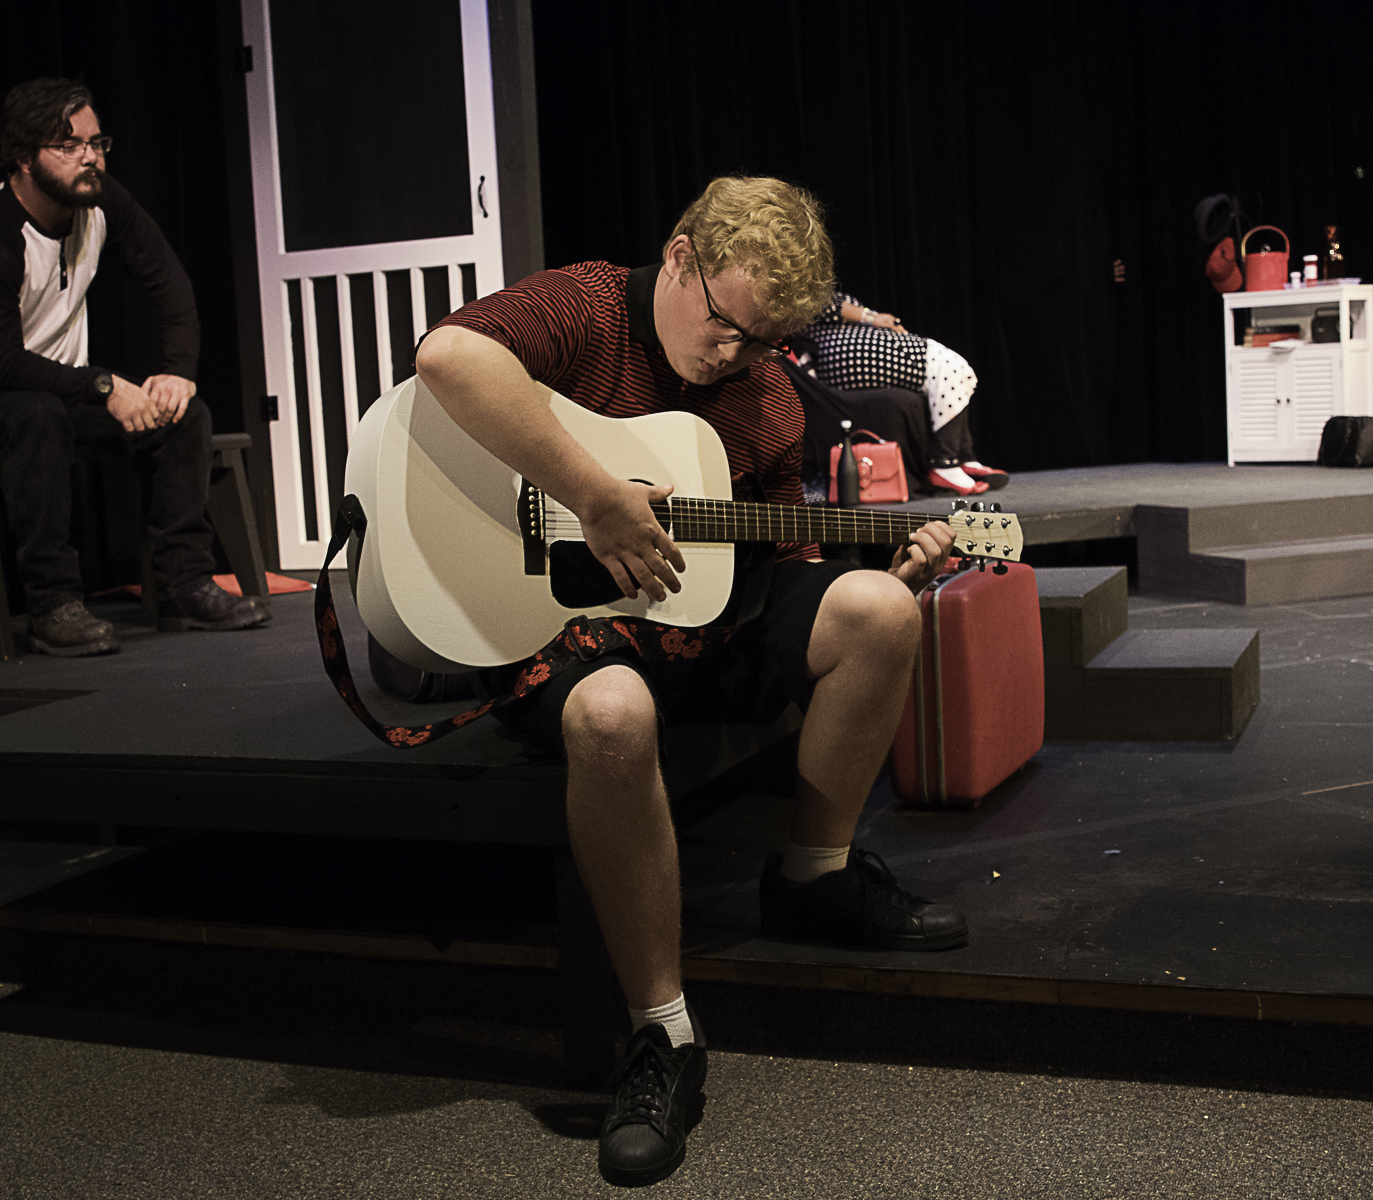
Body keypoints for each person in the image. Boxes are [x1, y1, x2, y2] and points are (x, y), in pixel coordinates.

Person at [415, 177, 967, 1188]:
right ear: (678, 256)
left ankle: (815, 875)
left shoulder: (763, 395)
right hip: (568, 629)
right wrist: (591, 495)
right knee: (614, 715)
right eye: (727, 325)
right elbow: (447, 359)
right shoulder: (586, 308)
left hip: (701, 627)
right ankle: (661, 1034)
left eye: (765, 342)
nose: (738, 355)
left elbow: (779, 561)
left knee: (882, 613)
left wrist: (881, 574)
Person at [0, 78, 266, 656]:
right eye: (69, 144)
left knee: (182, 413)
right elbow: (3, 364)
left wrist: (178, 370)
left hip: (60, 389)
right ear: (25, 158)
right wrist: (104, 385)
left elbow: (171, 285)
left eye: (97, 142)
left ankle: (185, 582)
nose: (91, 156)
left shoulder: (103, 203)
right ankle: (53, 604)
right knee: (37, 415)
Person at [803, 291, 1007, 495]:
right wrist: (873, 318)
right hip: (838, 353)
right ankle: (945, 463)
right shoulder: (804, 291)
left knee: (951, 373)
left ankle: (962, 456)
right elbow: (818, 304)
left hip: (841, 350)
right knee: (951, 368)